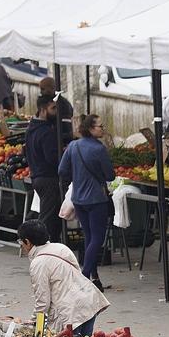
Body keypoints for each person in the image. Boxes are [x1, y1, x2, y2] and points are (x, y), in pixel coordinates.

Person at [18, 220, 109, 337]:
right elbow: (77, 274)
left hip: (69, 314)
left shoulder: (38, 263)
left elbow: (42, 302)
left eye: (21, 241)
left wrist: (33, 322)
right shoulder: (61, 248)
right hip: (87, 303)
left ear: (27, 242)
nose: (21, 245)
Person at [58, 114, 115, 290]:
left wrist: (77, 177)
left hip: (78, 199)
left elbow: (62, 170)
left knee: (89, 237)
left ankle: (94, 277)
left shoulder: (73, 146)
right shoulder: (99, 149)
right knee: (97, 238)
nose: (103, 129)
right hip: (96, 199)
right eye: (100, 126)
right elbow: (110, 175)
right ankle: (83, 277)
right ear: (90, 128)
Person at [26, 95, 64, 243]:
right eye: (53, 108)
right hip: (48, 178)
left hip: (37, 176)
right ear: (43, 110)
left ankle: (49, 244)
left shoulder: (32, 128)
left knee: (50, 214)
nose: (56, 112)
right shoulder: (46, 131)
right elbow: (52, 158)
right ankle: (42, 245)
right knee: (49, 217)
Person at [40, 76, 75, 145]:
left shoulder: (63, 105)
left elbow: (66, 129)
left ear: (52, 88)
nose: (41, 92)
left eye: (43, 89)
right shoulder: (48, 101)